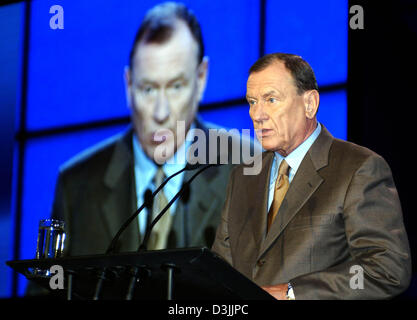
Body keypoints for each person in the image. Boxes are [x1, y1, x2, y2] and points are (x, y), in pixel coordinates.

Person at [50, 2, 259, 257]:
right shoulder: (77, 186)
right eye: (148, 89)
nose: (161, 112)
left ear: (201, 78)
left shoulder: (251, 168)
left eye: (176, 87)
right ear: (128, 86)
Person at [211, 53, 411, 300]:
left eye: (270, 99)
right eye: (252, 102)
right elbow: (218, 271)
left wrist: (293, 293)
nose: (257, 114)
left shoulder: (358, 168)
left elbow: (387, 268)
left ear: (309, 104)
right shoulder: (243, 176)